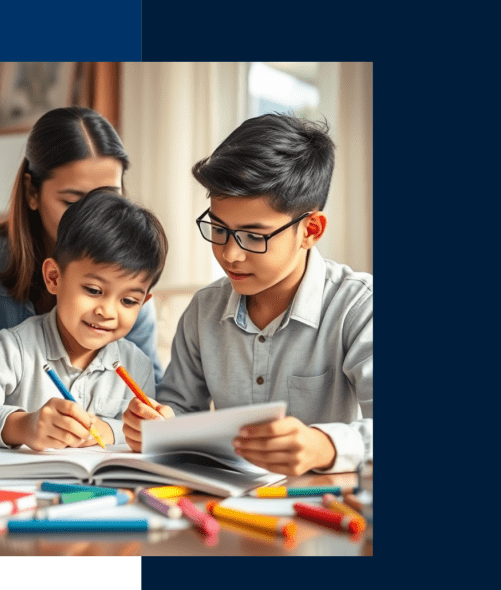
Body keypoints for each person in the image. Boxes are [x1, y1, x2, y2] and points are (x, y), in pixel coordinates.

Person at [123, 113, 372, 476]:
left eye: (254, 236)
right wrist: (156, 423)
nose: (230, 254)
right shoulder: (203, 310)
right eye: (219, 229)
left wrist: (323, 446)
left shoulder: (358, 305)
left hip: (321, 506)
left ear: (311, 229)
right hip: (223, 505)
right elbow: (177, 408)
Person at [0, 106, 162, 434]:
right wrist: (19, 424)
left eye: (107, 197)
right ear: (32, 192)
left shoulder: (126, 290)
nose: (93, 217)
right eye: (73, 201)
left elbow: (152, 404)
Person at [0, 189, 167, 449]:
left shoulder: (137, 366)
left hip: (101, 490)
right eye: (93, 290)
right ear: (54, 277)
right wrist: (20, 425)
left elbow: (143, 440)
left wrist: (120, 430)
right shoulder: (17, 349)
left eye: (128, 301)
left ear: (144, 303)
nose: (108, 312)